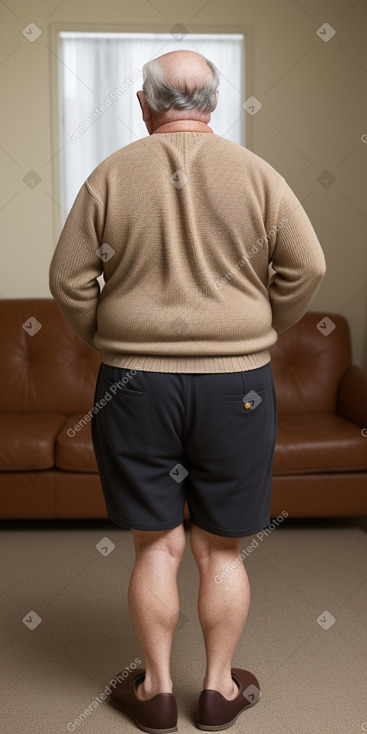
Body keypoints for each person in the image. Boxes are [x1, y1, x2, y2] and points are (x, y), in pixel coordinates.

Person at [49, 49, 326, 732]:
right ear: (213, 105)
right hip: (238, 385)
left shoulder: (110, 174)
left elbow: (67, 281)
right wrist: (258, 326)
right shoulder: (256, 173)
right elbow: (307, 265)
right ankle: (218, 690)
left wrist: (111, 338)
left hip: (134, 385)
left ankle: (157, 693)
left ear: (145, 105)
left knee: (157, 545)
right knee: (219, 548)